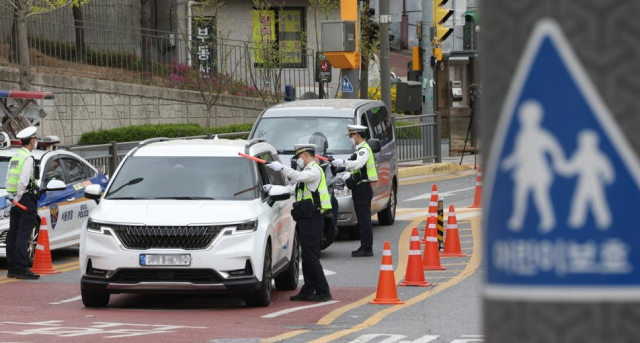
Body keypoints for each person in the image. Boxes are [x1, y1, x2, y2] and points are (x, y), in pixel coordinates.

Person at [266, 144, 332, 302]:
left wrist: (281, 168)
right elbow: (294, 188)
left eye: (298, 157)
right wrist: (273, 188)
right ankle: (308, 289)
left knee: (311, 257)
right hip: (305, 219)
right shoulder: (307, 172)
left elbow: (299, 177)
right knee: (308, 258)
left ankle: (323, 291)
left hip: (313, 219)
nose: (298, 160)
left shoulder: (314, 171)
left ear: (304, 155)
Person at [330, 125, 378, 257]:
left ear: (356, 135)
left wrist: (343, 161)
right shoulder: (359, 150)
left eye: (351, 136)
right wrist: (340, 165)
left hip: (363, 188)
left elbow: (358, 164)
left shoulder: (364, 150)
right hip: (360, 188)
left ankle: (367, 248)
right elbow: (355, 168)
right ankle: (365, 246)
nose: (351, 138)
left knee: (364, 219)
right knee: (363, 219)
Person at [5, 126, 40, 280]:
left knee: (13, 234)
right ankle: (21, 269)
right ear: (31, 141)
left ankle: (12, 268)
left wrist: (12, 198)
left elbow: (8, 178)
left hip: (14, 199)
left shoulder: (15, 156)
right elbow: (23, 181)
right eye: (35, 138)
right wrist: (19, 198)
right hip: (24, 199)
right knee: (22, 235)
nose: (36, 141)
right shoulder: (27, 158)